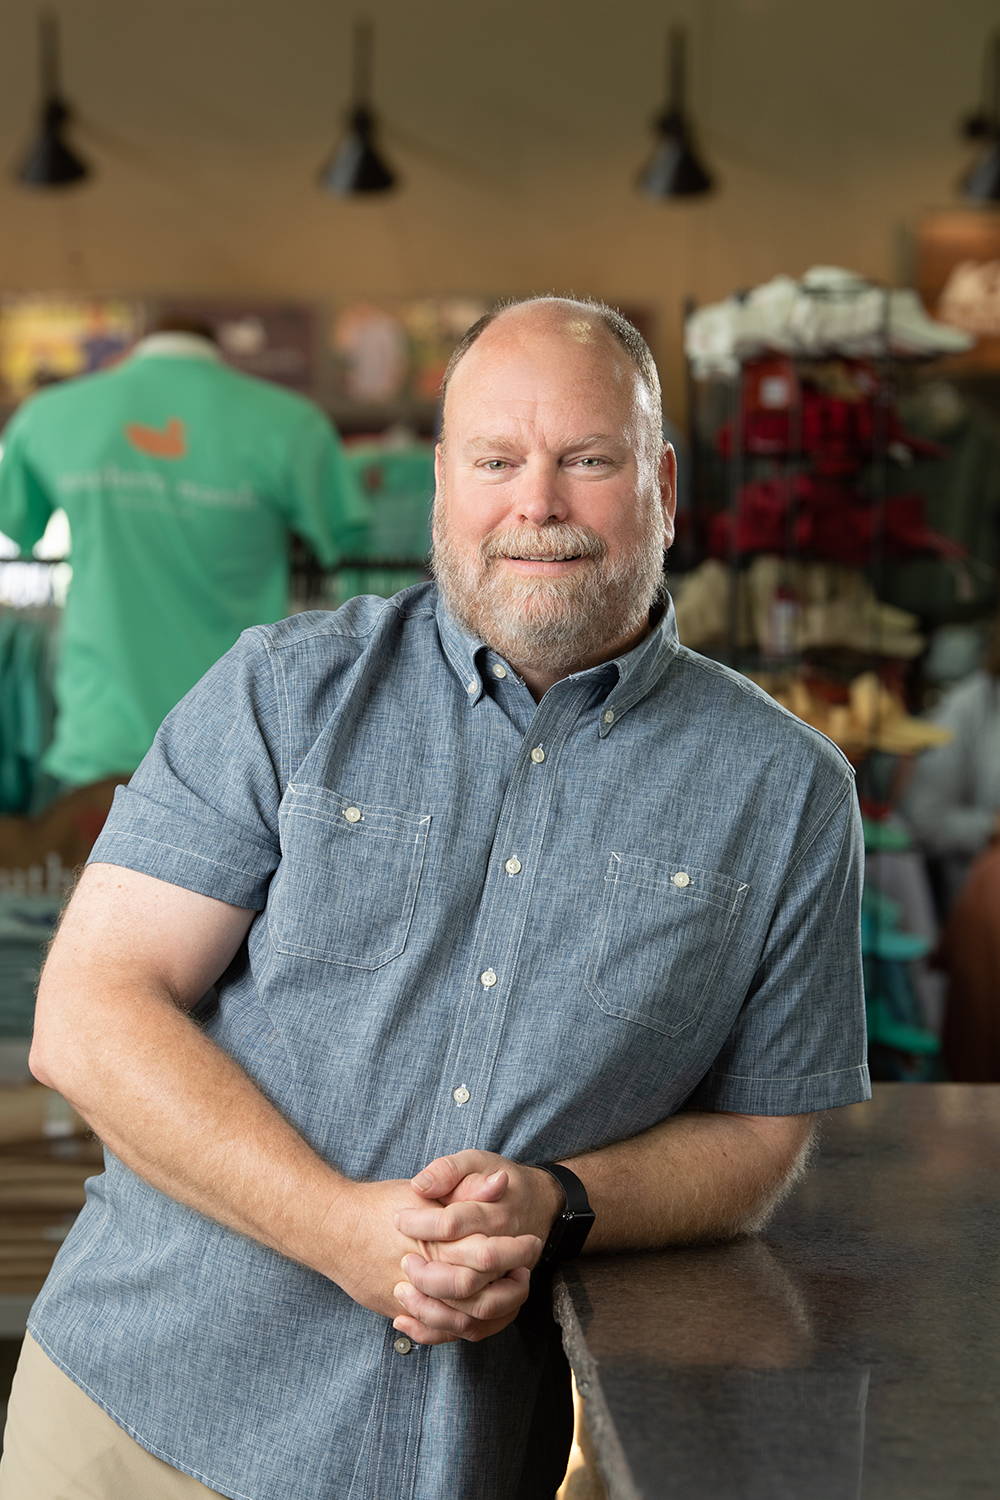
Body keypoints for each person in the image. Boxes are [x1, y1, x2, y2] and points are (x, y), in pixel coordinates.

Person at [0, 297, 870, 1500]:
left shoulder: (787, 792)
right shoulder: (279, 693)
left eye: (588, 461)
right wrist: (338, 1229)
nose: (539, 506)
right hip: (137, 1417)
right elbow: (88, 1012)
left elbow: (764, 1136)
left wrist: (559, 1203)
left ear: (662, 482)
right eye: (496, 462)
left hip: (450, 1461)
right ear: (441, 487)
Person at [0, 315, 368, 790]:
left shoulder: (50, 415)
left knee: (88, 863)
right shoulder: (292, 423)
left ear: (138, 344)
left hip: (102, 738)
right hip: (239, 740)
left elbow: (15, 523)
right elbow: (350, 540)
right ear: (218, 350)